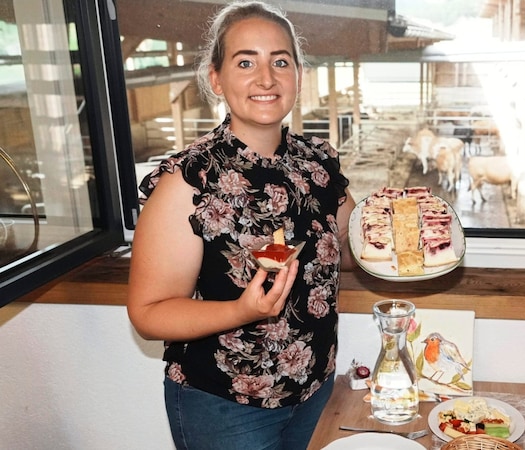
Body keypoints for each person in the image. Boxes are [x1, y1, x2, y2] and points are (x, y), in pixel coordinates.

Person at [127, 1, 355, 448]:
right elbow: (148, 312)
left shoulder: (319, 163)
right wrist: (241, 311)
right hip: (224, 405)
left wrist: (402, 239)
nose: (266, 78)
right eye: (245, 61)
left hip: (316, 390)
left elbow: (348, 251)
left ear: (298, 76)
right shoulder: (187, 180)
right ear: (216, 78)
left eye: (281, 62)